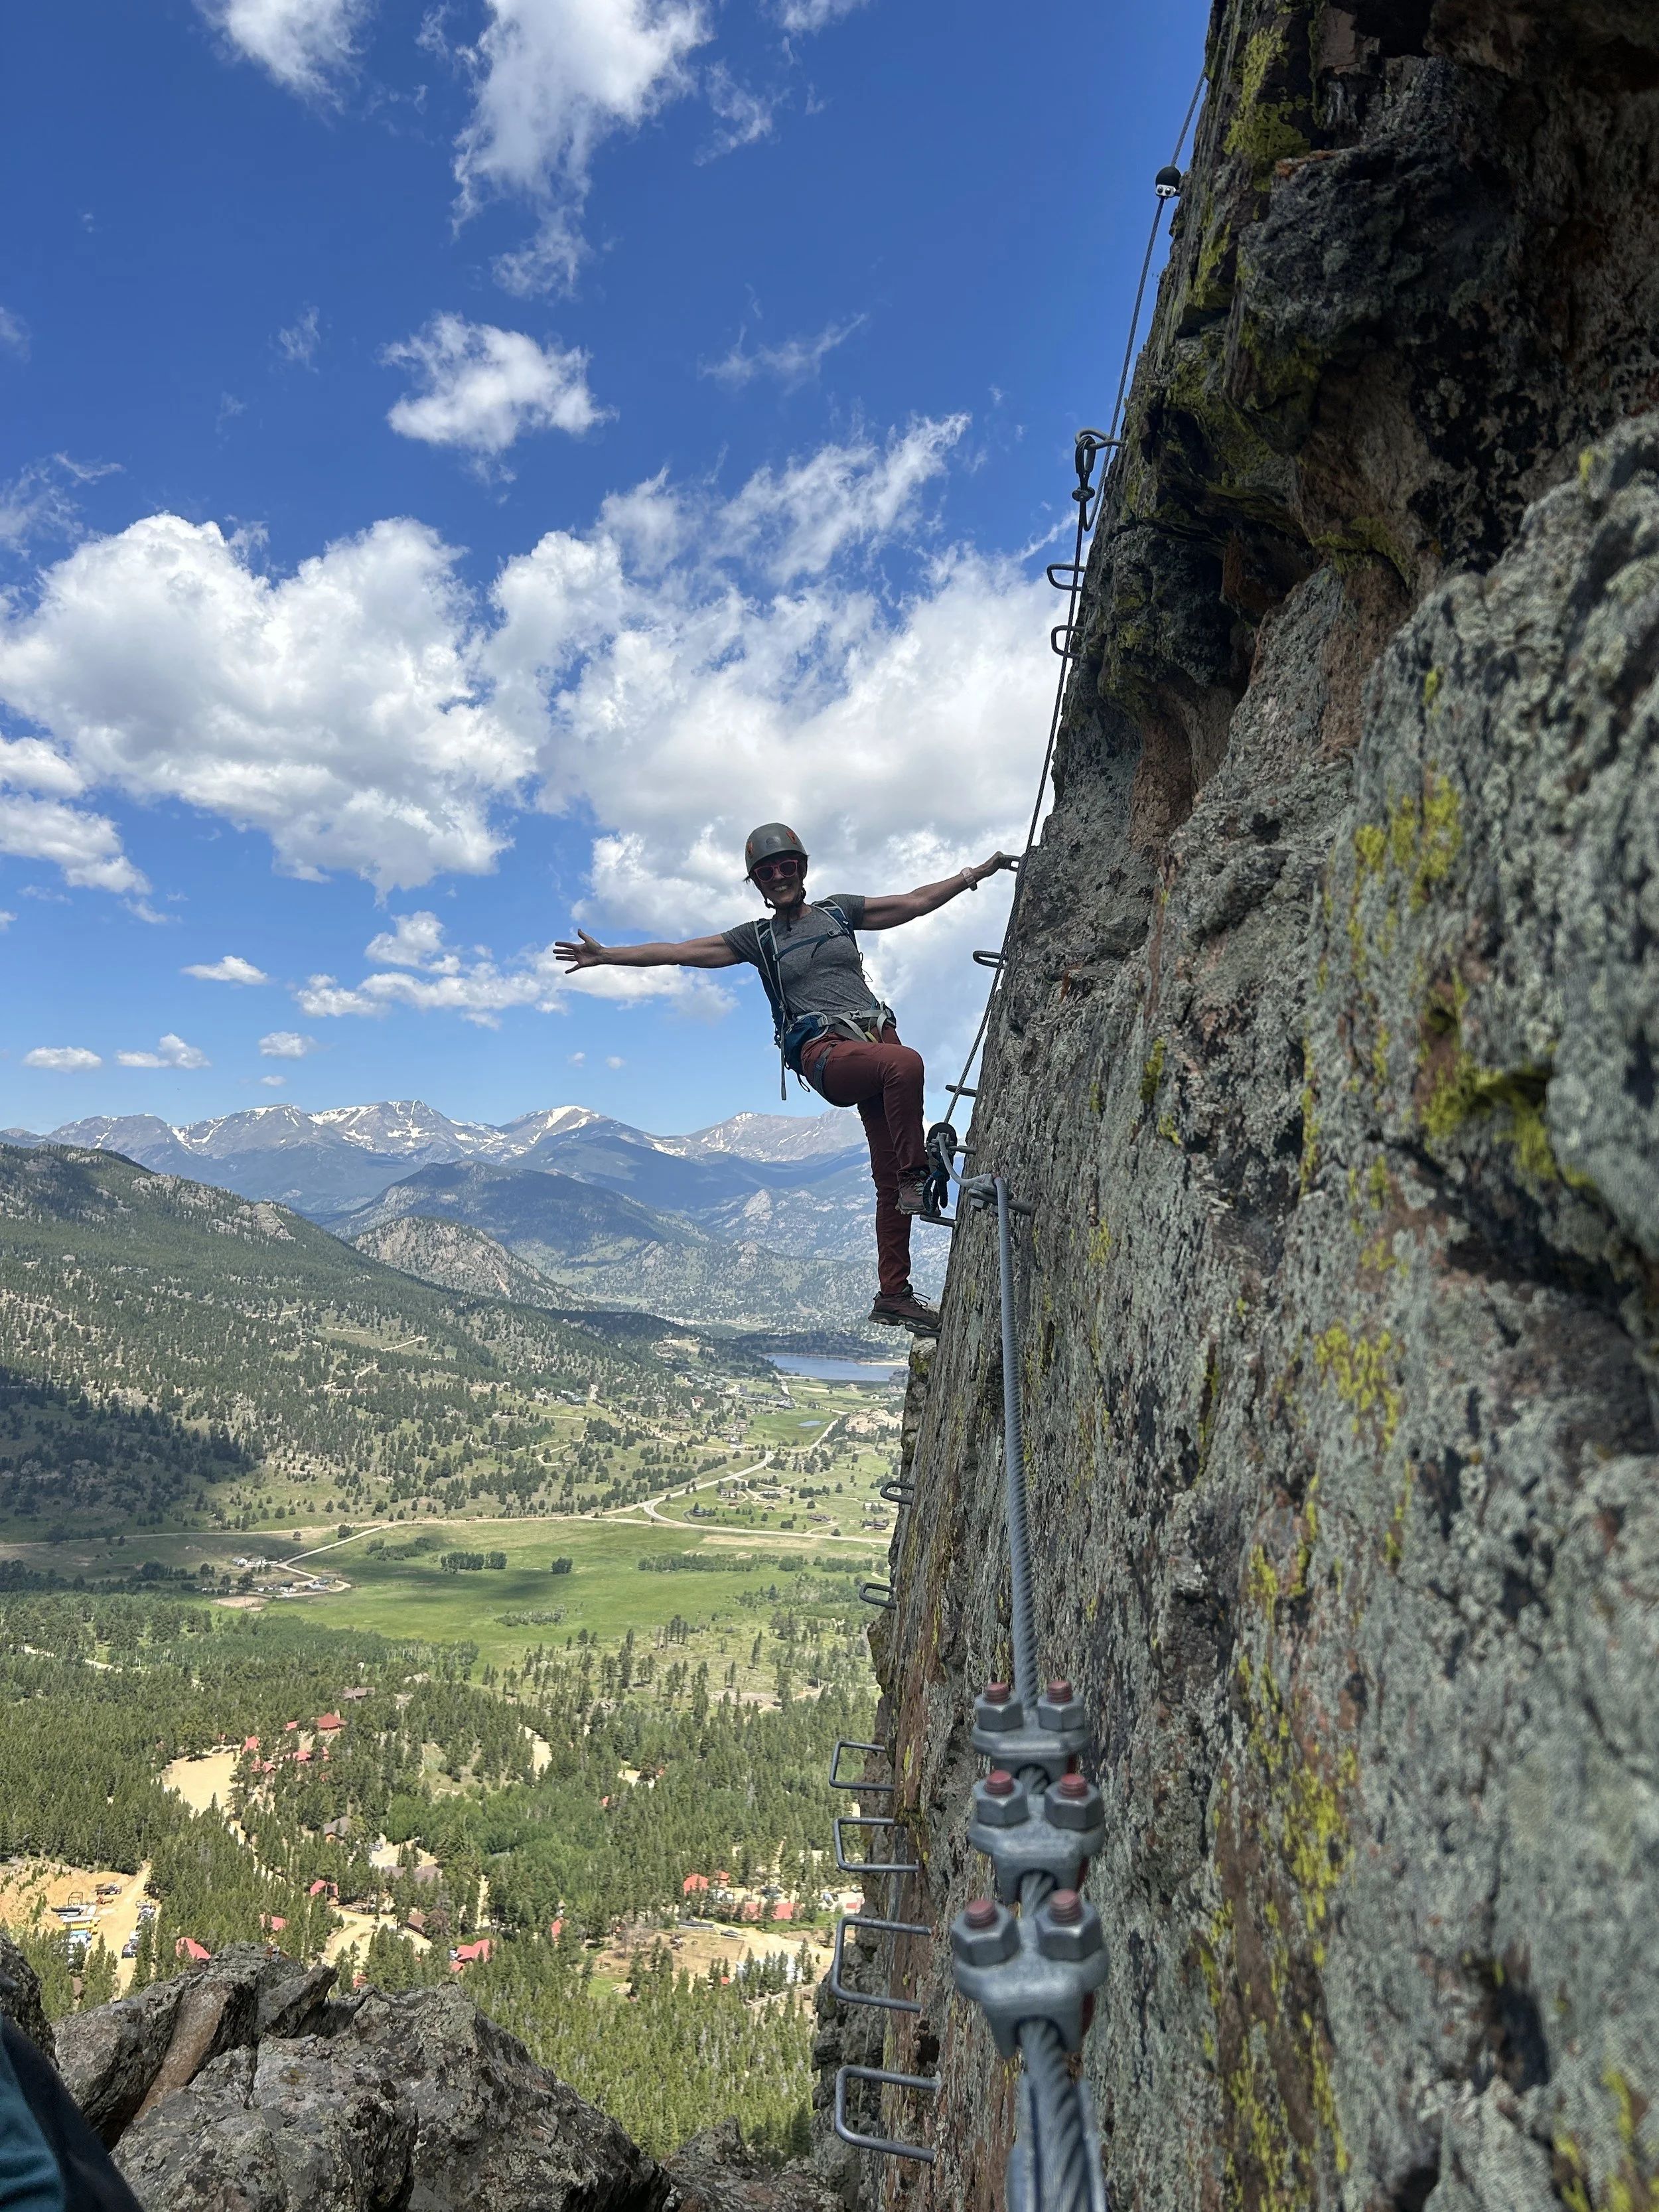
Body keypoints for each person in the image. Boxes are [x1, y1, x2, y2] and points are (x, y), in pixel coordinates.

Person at [555, 824, 1015, 1335]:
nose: (778, 877)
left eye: (786, 866)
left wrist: (976, 874)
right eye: (766, 872)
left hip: (872, 1045)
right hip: (828, 1053)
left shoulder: (840, 913)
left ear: (803, 867)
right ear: (756, 882)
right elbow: (681, 950)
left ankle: (893, 1293)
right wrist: (608, 955)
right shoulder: (758, 938)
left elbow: (912, 902)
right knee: (905, 1066)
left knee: (887, 1174)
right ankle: (915, 1179)